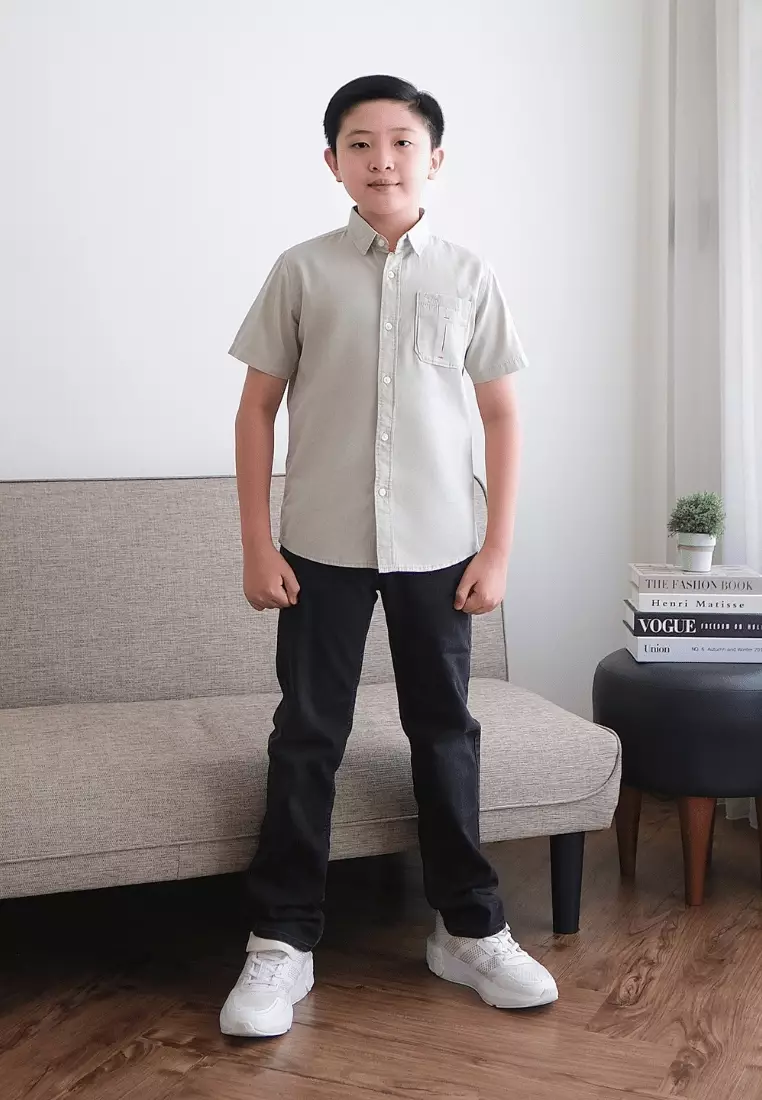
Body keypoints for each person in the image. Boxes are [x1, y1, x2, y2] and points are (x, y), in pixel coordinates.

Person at [220, 74, 558, 1039]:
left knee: (445, 731)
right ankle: (282, 941)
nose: (382, 160)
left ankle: (469, 929)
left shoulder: (468, 275)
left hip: (440, 548)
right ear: (333, 163)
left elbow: (501, 415)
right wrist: (256, 544)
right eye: (360, 144)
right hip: (319, 547)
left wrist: (497, 548)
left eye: (402, 142)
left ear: (434, 158)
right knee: (307, 735)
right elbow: (256, 409)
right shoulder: (301, 271)